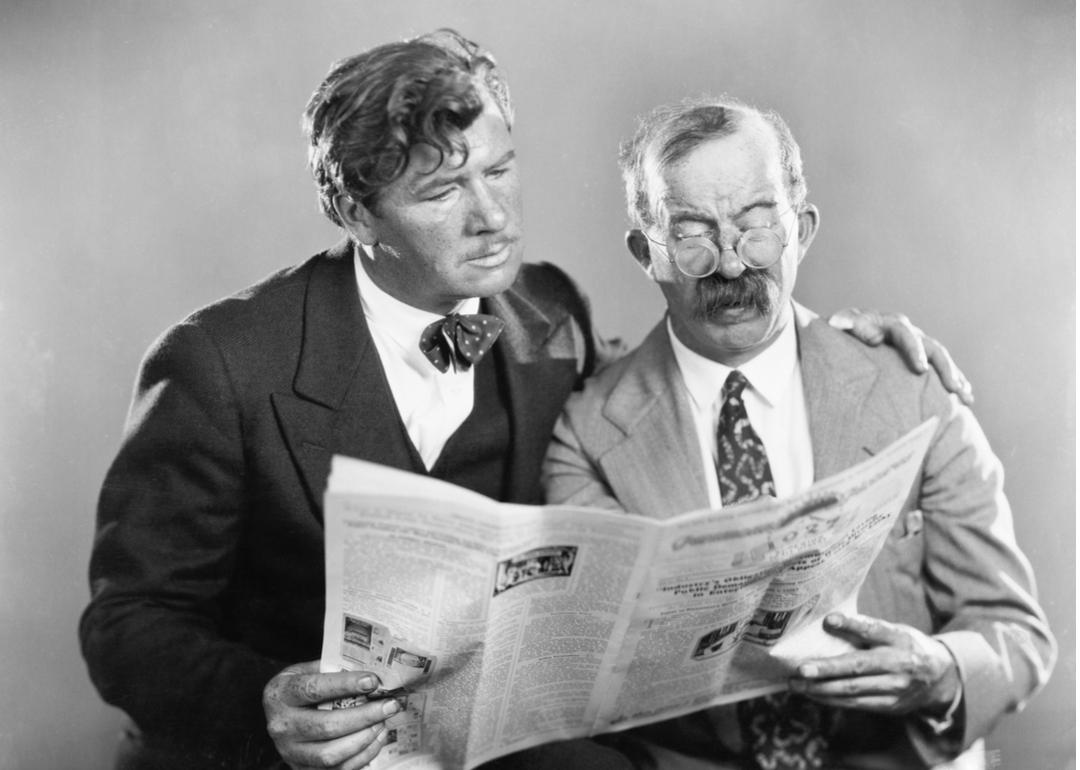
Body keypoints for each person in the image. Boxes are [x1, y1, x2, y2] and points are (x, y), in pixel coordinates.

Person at [79, 30, 973, 770]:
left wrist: (825, 339)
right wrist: (267, 705)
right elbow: (127, 624)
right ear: (356, 214)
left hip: (486, 741)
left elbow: (663, 386)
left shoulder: (548, 309)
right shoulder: (218, 363)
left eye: (500, 171)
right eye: (442, 190)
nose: (494, 215)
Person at [542, 95, 1056, 769]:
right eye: (693, 235)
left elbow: (1015, 634)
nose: (731, 266)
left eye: (758, 228)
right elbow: (599, 672)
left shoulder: (912, 388)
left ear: (802, 229)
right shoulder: (586, 437)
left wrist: (940, 670)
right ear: (646, 251)